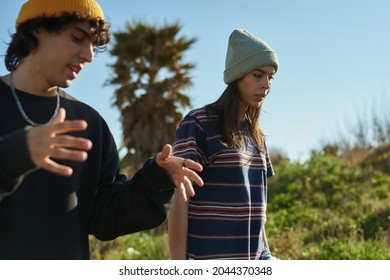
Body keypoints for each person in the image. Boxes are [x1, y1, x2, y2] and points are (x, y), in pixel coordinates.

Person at [0, 0, 203, 260]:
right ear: (36, 29)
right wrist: (17, 153)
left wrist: (155, 178)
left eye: (94, 45)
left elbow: (104, 219)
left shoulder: (89, 123)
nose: (89, 55)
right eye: (77, 38)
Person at [168, 28, 278, 260]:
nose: (266, 84)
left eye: (270, 77)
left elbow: (257, 209)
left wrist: (266, 253)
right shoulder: (199, 123)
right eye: (258, 75)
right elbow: (181, 200)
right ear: (237, 76)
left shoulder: (257, 136)